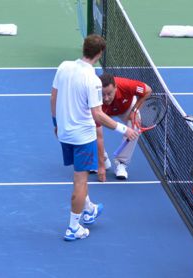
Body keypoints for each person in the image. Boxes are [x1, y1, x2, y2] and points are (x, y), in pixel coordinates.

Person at [50, 34, 138, 241]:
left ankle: (89, 209)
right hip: (83, 137)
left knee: (79, 174)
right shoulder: (93, 80)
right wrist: (123, 130)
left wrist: (56, 124)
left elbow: (53, 97)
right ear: (100, 54)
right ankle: (73, 228)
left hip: (64, 132)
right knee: (80, 181)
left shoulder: (63, 66)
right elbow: (97, 114)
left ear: (84, 48)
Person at [95, 73, 152, 180]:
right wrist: (101, 164)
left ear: (115, 87)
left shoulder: (126, 85)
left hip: (126, 108)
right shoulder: (93, 96)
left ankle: (121, 163)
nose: (106, 98)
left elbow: (148, 90)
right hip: (101, 111)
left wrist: (135, 110)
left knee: (136, 122)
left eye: (109, 93)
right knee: (89, 129)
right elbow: (98, 135)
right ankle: (102, 158)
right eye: (103, 94)